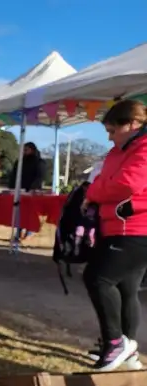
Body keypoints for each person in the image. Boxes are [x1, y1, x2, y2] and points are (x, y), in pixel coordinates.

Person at [82, 99, 147, 371]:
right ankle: (129, 351)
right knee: (126, 288)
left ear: (132, 124)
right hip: (116, 226)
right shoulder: (118, 151)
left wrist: (94, 193)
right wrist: (95, 190)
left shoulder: (143, 149)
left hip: (135, 229)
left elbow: (126, 184)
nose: (109, 137)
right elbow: (101, 179)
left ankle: (115, 342)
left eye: (112, 130)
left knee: (98, 278)